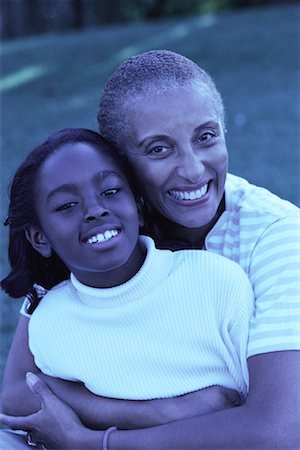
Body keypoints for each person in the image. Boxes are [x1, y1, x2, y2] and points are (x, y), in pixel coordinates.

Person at [1, 49, 300, 449]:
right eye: (159, 149)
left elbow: (276, 432)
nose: (193, 169)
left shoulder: (276, 236)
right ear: (119, 161)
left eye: (206, 137)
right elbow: (18, 392)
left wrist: (93, 442)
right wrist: (165, 411)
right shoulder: (100, 228)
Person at [0, 127, 253, 449]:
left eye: (110, 191)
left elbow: (265, 415)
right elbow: (22, 401)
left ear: (138, 204)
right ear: (40, 237)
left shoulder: (216, 282)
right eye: (66, 206)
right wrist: (165, 412)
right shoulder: (49, 320)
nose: (95, 210)